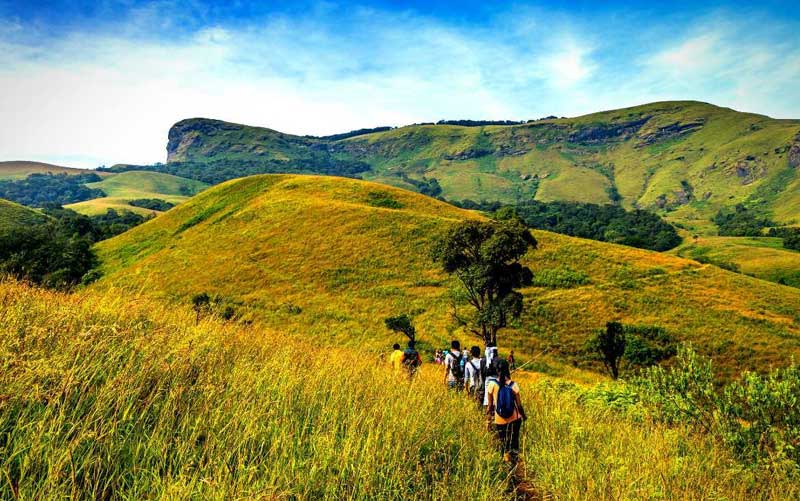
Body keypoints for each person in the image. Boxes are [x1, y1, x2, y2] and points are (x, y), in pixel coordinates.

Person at [486, 359, 526, 464]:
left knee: (503, 442)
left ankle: (504, 462)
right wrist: (524, 416)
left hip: (500, 420)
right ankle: (514, 463)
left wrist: (488, 420)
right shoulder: (513, 385)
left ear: (496, 370)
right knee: (514, 441)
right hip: (514, 419)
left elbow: (490, 406)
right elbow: (519, 406)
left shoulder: (492, 384)